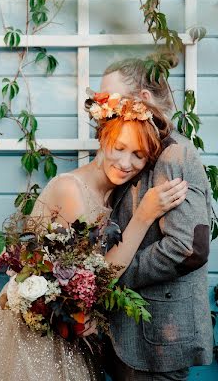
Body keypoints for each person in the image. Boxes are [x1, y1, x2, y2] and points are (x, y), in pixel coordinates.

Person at [0, 94, 188, 381]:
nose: (125, 163)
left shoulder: (115, 195)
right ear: (103, 139)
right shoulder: (71, 190)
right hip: (33, 330)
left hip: (65, 323)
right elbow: (97, 277)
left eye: (138, 155)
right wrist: (144, 216)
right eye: (119, 148)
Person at [100, 58, 213, 381]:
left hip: (157, 340)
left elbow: (188, 247)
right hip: (131, 335)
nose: (102, 107)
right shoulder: (136, 153)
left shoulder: (174, 155)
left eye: (111, 99)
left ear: (143, 101)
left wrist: (113, 275)